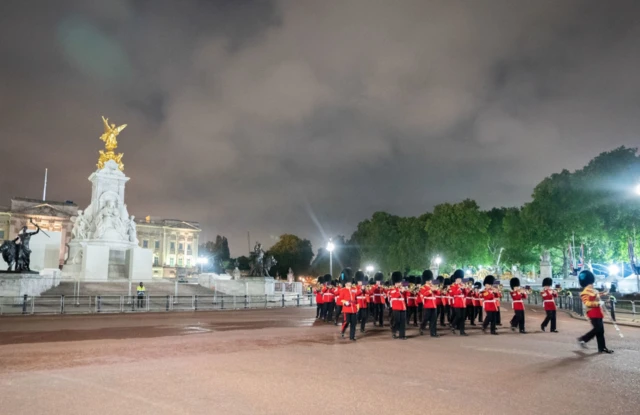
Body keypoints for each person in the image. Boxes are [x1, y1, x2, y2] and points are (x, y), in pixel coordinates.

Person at [577, 270, 613, 354]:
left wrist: (605, 292)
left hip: (598, 313)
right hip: (592, 313)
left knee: (601, 331)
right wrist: (598, 303)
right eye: (591, 283)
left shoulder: (594, 290)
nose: (593, 284)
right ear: (588, 283)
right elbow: (587, 303)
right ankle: (583, 339)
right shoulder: (584, 292)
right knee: (597, 329)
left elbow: (597, 294)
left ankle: (602, 348)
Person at [419, 270, 439, 337]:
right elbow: (423, 294)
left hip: (434, 305)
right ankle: (422, 327)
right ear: (426, 280)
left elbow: (438, 293)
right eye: (429, 280)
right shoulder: (423, 287)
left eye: (430, 280)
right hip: (427, 305)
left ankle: (433, 333)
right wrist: (430, 290)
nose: (430, 281)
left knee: (434, 319)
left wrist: (436, 289)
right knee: (425, 318)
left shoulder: (432, 286)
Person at [338, 271, 358, 341]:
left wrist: (357, 305)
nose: (350, 283)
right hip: (346, 309)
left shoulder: (354, 289)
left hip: (353, 308)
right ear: (346, 283)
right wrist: (345, 302)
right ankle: (343, 331)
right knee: (347, 321)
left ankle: (352, 336)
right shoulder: (343, 290)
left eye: (350, 282)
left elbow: (356, 298)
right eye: (349, 282)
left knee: (353, 323)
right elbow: (340, 299)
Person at [389, 271, 407, 339]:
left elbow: (406, 296)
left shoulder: (402, 288)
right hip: (396, 306)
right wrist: (399, 291)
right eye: (398, 282)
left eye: (400, 282)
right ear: (395, 283)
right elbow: (395, 295)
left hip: (403, 307)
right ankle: (394, 331)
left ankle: (402, 335)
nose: (399, 283)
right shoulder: (392, 289)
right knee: (397, 321)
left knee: (403, 321)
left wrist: (406, 290)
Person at [449, 270, 468, 335]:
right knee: (458, 316)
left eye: (460, 278)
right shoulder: (453, 286)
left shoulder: (462, 285)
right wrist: (460, 288)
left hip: (463, 302)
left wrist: (465, 288)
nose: (460, 280)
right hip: (456, 302)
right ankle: (453, 324)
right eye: (459, 278)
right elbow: (453, 293)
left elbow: (466, 294)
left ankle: (462, 331)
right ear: (456, 279)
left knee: (463, 317)